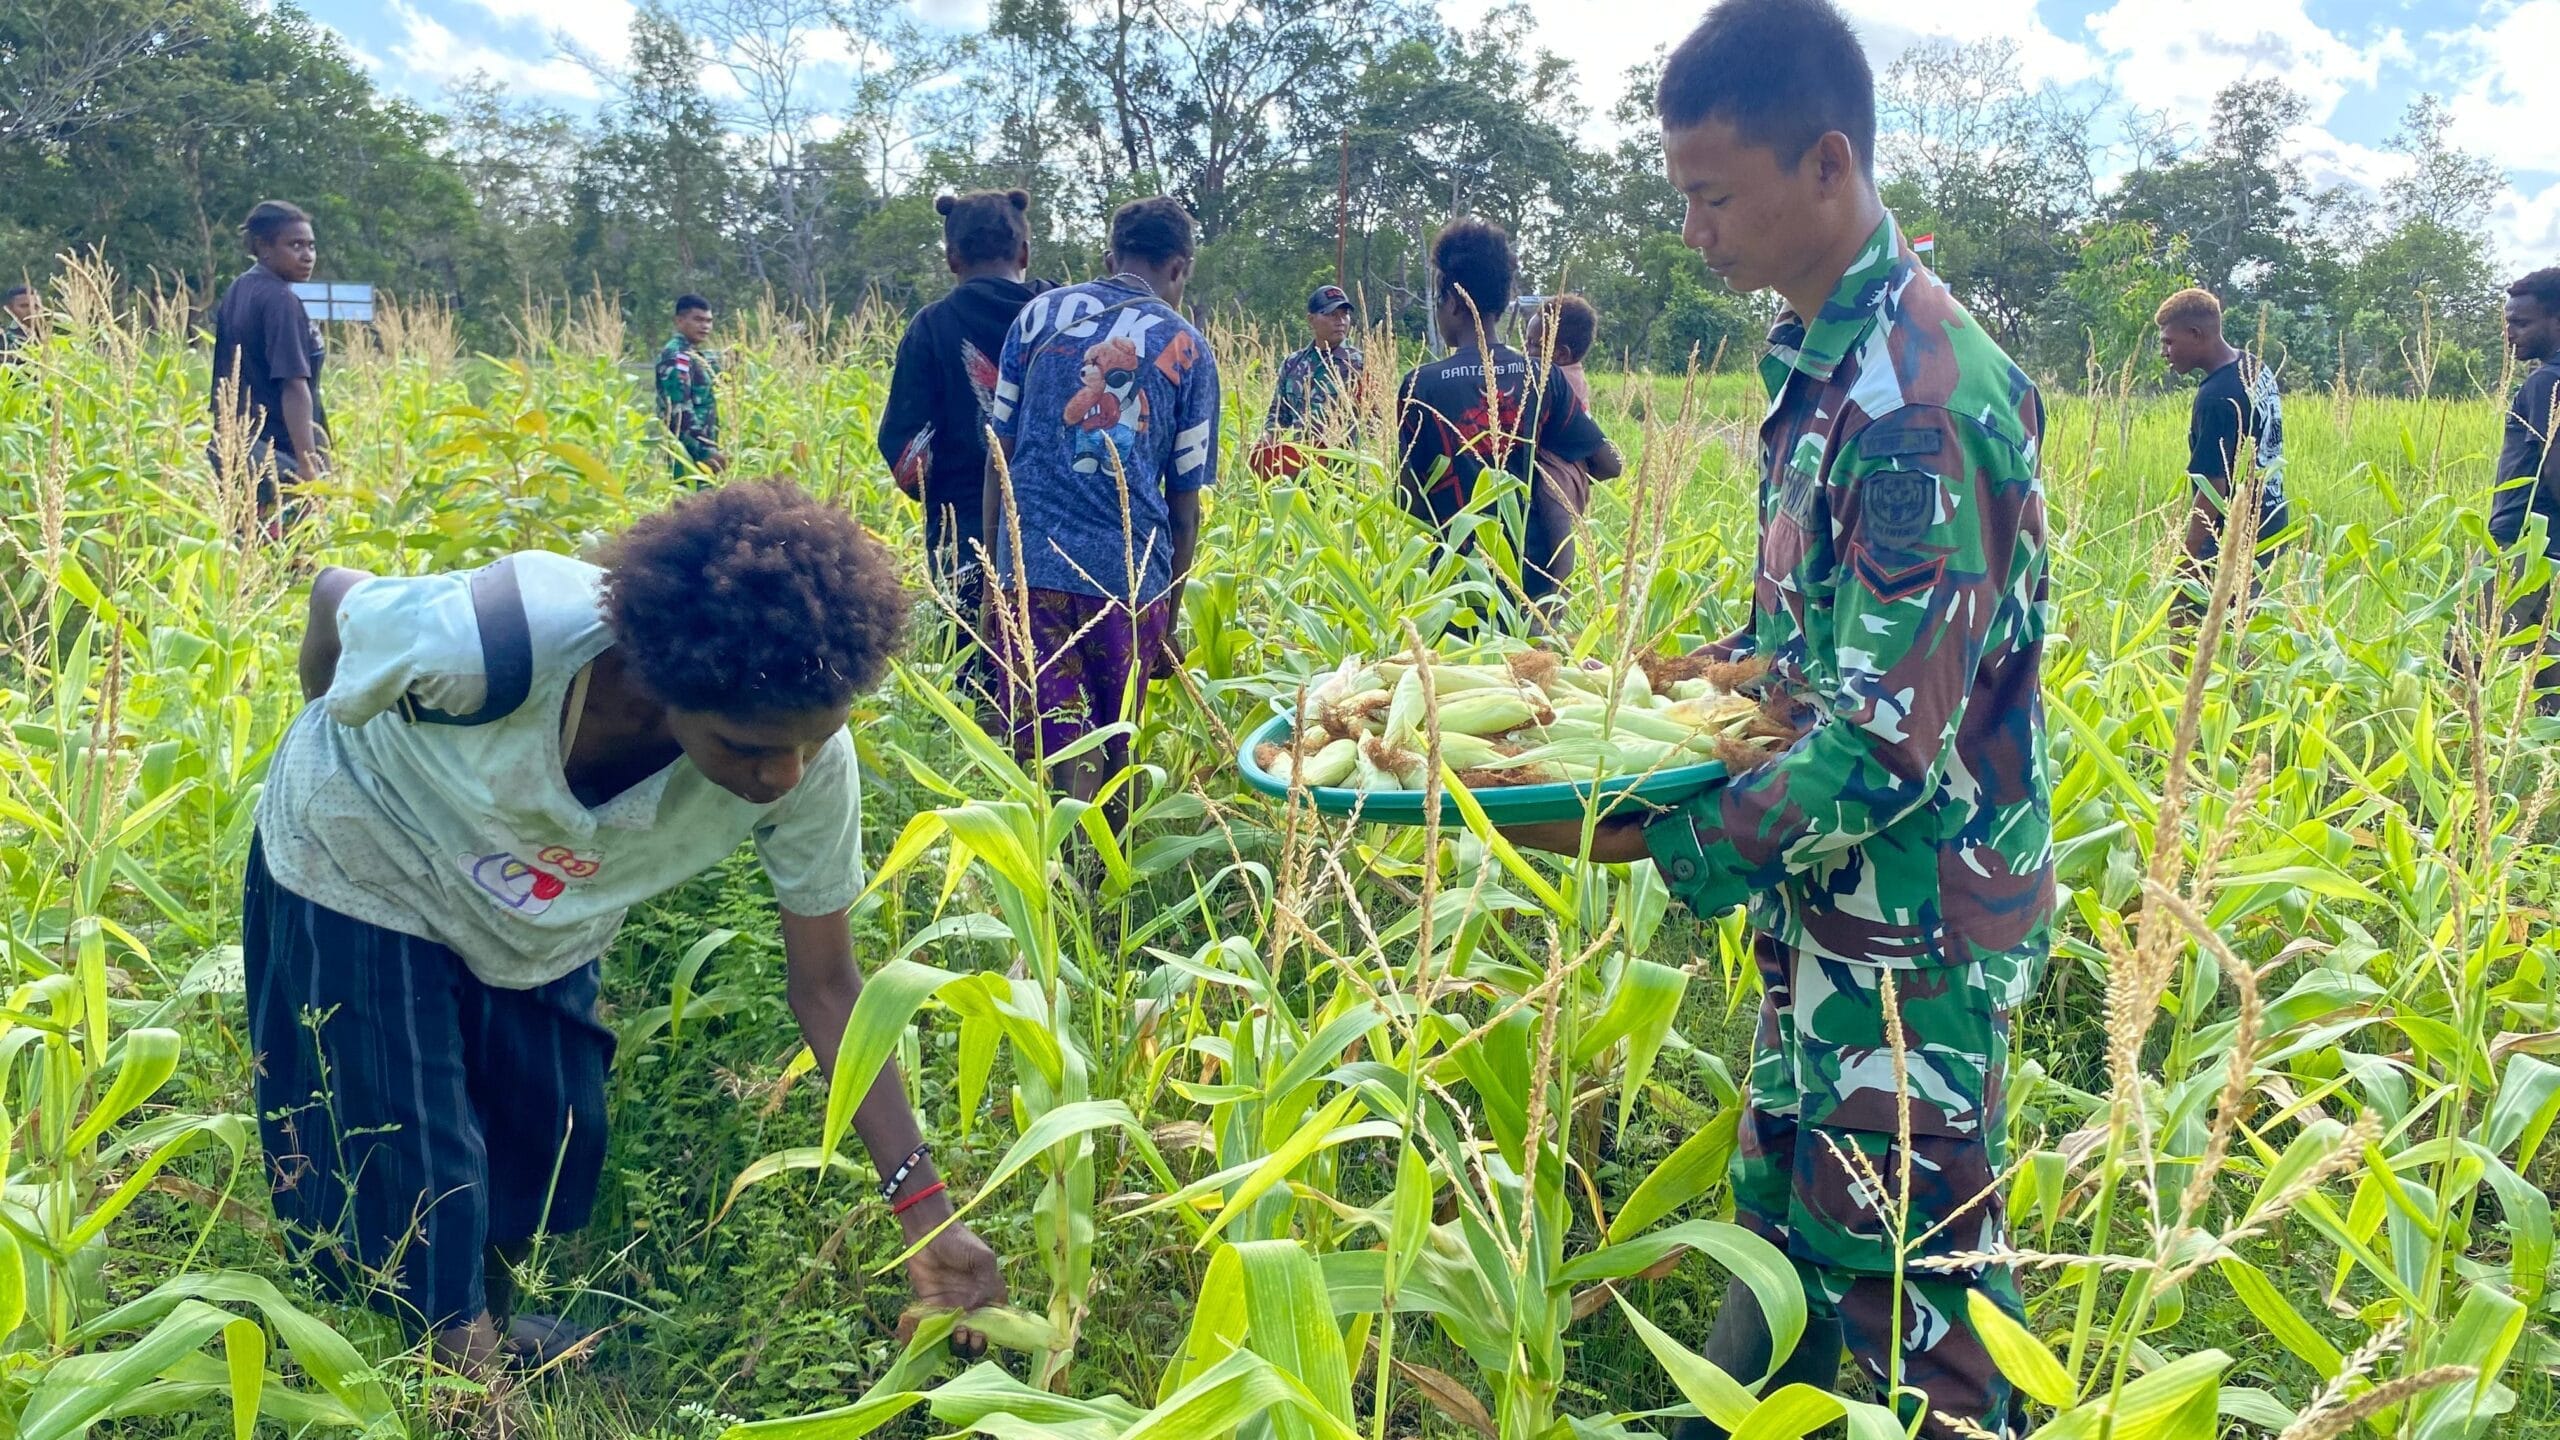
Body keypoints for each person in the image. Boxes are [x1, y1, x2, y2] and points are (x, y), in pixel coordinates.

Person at [1502, 2, 2051, 1435]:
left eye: (1713, 196)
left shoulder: (1918, 403)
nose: (1693, 233)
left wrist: (1651, 840)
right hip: (1827, 905)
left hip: (1910, 930)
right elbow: (1812, 647)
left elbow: (1882, 741)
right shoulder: (1822, 365)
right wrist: (1681, 690)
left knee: (1913, 1282)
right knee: (1792, 1207)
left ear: (1825, 164)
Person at [246, 480, 1006, 1387]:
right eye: (747, 748)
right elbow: (334, 596)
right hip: (366, 855)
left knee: (546, 1136)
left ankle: (483, 1317)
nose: (783, 776)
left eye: (812, 741)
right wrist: (336, 730)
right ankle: (467, 1386)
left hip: (534, 911)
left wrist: (929, 1218)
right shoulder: (498, 640)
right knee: (412, 1166)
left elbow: (829, 987)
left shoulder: (803, 765)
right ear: (654, 685)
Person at [984, 196, 1220, 806]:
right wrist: (1169, 613)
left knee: (1054, 742)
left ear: (1111, 258)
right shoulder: (1189, 347)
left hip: (1033, 569)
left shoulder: (1035, 317)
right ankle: (1107, 858)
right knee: (1119, 746)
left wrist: (994, 581)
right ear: (1179, 268)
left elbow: (999, 458)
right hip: (1129, 578)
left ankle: (1069, 857)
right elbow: (1184, 505)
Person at [1395, 219, 1620, 626]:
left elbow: (1407, 498)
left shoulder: (1419, 385)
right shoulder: (1543, 376)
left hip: (1454, 589)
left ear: (1453, 302)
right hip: (1531, 592)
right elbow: (1607, 465)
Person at [879, 189, 1047, 614]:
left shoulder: (931, 327)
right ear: (1024, 252)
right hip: (1060, 546)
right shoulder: (1061, 313)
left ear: (952, 258)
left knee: (968, 652)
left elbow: (908, 460)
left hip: (965, 547)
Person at [2156, 286, 2286, 620]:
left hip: (2231, 531)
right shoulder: (2253, 366)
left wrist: (2187, 559)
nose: (2164, 352)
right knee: (2241, 624)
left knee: (2188, 620)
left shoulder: (2216, 397)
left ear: (2196, 334)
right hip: (2271, 518)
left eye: (2169, 342)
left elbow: (2213, 488)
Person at [208, 200, 328, 532]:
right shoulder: (280, 301)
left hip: (240, 449)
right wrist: (308, 466)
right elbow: (294, 385)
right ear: (264, 247)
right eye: (295, 245)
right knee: (291, 551)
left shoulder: (240, 289)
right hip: (278, 458)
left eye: (311, 246)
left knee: (246, 546)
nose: (307, 256)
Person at [2489, 266, 2560, 710]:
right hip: (2552, 547)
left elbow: (2555, 469)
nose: (2510, 333)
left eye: (2521, 323)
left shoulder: (2546, 381)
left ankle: (2453, 741)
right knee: (2549, 673)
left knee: (2465, 655)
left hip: (2520, 544)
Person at [1523, 293, 1605, 619]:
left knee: (1554, 507)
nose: (1525, 350)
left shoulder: (1559, 377)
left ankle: (1560, 589)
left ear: (1560, 354)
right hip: (1563, 453)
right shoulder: (1560, 371)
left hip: (1560, 463)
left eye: (1533, 344)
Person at [1253, 284, 1364, 478]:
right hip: (1299, 470)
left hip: (1344, 472)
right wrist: (1267, 438)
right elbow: (1279, 414)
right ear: (1311, 320)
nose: (1340, 321)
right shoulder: (1293, 364)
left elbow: (1376, 421)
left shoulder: (1361, 365)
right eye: (1331, 314)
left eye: (1344, 314)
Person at [656, 295, 724, 477]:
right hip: (687, 456)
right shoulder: (677, 356)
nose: (705, 326)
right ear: (679, 321)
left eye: (709, 321)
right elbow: (679, 410)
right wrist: (705, 452)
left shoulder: (691, 354)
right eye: (698, 320)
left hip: (699, 452)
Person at [1, 283, 35, 366]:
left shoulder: (53, 338)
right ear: (9, 309)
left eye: (35, 306)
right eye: (24, 306)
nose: (31, 310)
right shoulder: (5, 340)